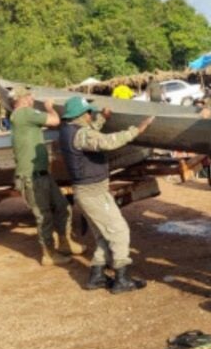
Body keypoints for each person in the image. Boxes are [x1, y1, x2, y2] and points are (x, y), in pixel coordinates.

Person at [59, 96, 154, 294]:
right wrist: (136, 130)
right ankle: (121, 279)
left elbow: (90, 134)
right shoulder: (80, 134)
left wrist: (101, 118)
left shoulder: (70, 131)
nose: (89, 116)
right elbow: (106, 142)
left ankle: (97, 276)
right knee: (119, 232)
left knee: (103, 235)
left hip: (89, 192)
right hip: (93, 193)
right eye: (88, 114)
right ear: (80, 116)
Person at [9, 86, 82, 266]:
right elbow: (55, 121)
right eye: (30, 96)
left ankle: (64, 243)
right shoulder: (24, 113)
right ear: (23, 98)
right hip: (32, 176)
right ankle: (48, 254)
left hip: (41, 174)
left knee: (62, 206)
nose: (33, 99)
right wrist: (49, 107)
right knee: (44, 216)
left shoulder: (22, 115)